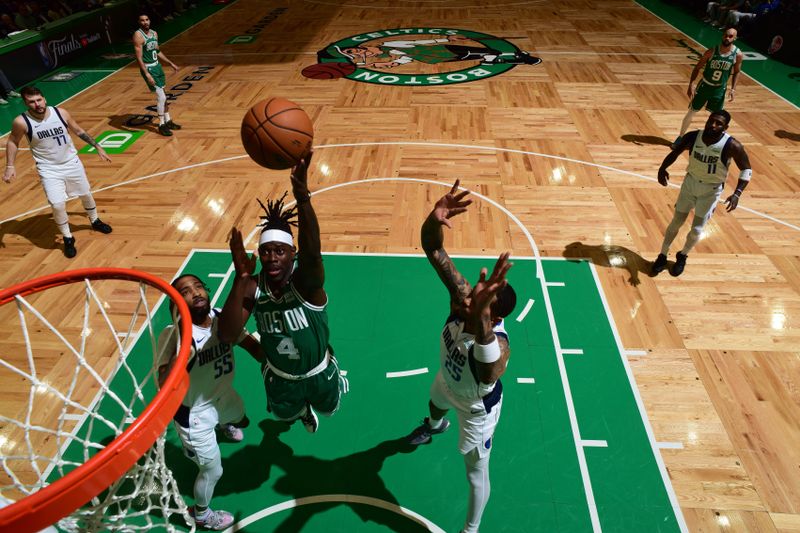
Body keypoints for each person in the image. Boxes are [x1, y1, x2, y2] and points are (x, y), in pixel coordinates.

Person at [408, 180, 517, 533]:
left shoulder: (497, 344)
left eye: (479, 301)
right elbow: (432, 248)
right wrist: (433, 218)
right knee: (435, 400)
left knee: (475, 473)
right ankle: (436, 426)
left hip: (476, 410)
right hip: (448, 381)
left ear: (495, 317)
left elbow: (488, 374)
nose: (468, 298)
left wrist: (482, 316)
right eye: (473, 295)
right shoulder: (462, 297)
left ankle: (470, 530)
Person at [221, 151, 346, 434]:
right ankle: (301, 411)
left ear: (293, 253)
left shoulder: (305, 284)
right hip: (280, 376)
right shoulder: (253, 286)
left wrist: (303, 198)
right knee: (284, 415)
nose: (272, 258)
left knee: (328, 410)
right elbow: (227, 334)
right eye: (265, 252)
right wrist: (240, 278)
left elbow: (314, 255)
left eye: (280, 251)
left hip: (318, 372)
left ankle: (310, 406)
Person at [157, 273, 263, 531]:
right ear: (176, 306)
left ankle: (224, 425)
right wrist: (182, 354)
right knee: (213, 471)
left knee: (243, 419)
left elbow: (253, 348)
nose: (195, 293)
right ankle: (201, 514)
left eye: (198, 286)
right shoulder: (173, 336)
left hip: (222, 396)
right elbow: (163, 384)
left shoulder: (221, 318)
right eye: (184, 291)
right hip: (194, 414)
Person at [3, 86, 113, 258]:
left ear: (44, 99)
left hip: (72, 163)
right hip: (48, 169)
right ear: (25, 103)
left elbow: (78, 131)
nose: (37, 104)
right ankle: (68, 237)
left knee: (85, 193)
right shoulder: (21, 122)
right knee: (57, 204)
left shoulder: (60, 113)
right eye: (31, 102)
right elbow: (12, 142)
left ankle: (95, 220)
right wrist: (10, 166)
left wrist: (97, 146)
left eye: (39, 100)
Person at [653, 110, 752, 277]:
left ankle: (682, 255)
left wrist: (737, 193)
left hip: (711, 191)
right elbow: (675, 152)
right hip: (690, 184)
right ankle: (662, 255)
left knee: (697, 230)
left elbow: (746, 169)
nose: (713, 125)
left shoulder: (732, 145)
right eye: (711, 121)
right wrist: (662, 168)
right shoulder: (693, 136)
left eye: (718, 123)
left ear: (725, 127)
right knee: (676, 222)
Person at [672, 27, 743, 149]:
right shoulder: (711, 51)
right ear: (722, 36)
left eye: (730, 36)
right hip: (705, 85)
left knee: (717, 118)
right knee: (691, 112)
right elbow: (697, 67)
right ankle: (680, 137)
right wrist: (691, 83)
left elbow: (737, 72)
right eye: (726, 35)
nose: (727, 38)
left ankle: (712, 142)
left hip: (719, 89)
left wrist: (733, 89)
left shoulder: (738, 54)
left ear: (735, 38)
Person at [133, 13, 181, 137]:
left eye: (147, 19)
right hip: (149, 69)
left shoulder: (154, 33)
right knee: (162, 97)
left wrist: (170, 63)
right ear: (139, 22)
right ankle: (161, 125)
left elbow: (157, 51)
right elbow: (139, 58)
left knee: (164, 95)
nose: (145, 22)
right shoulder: (138, 35)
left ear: (150, 20)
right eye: (142, 20)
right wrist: (147, 74)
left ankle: (168, 121)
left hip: (157, 66)